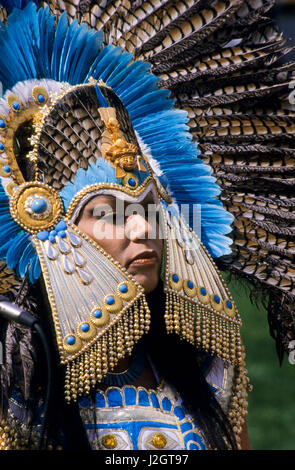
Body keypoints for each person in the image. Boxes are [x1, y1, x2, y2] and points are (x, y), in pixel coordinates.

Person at [0, 0, 293, 452]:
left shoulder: (207, 363)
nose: (141, 228)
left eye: (150, 207)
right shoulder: (17, 379)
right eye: (106, 212)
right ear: (51, 230)